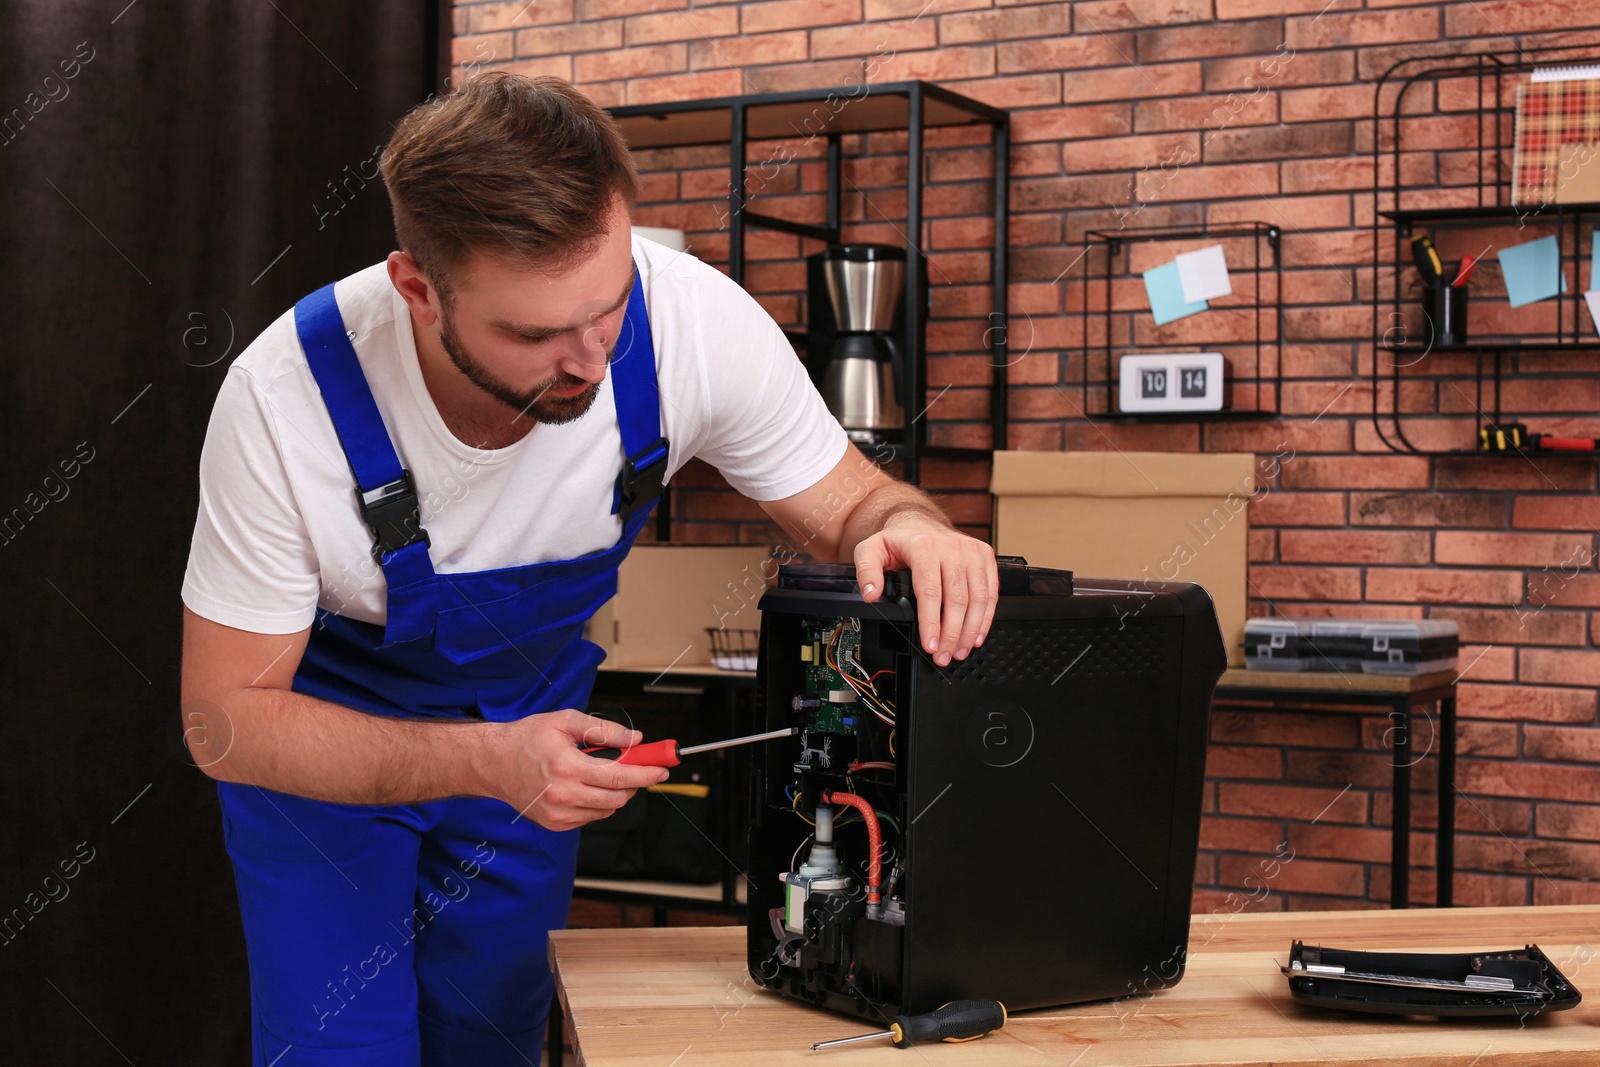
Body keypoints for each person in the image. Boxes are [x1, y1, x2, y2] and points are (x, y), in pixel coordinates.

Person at [180, 72, 998, 1066]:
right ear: (419, 290)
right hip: (327, 763)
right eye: (534, 333)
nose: (591, 360)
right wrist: (483, 757)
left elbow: (855, 502)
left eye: (608, 306)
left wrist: (914, 523)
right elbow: (224, 720)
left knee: (493, 1042)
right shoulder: (284, 400)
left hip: (530, 752)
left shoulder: (693, 324)